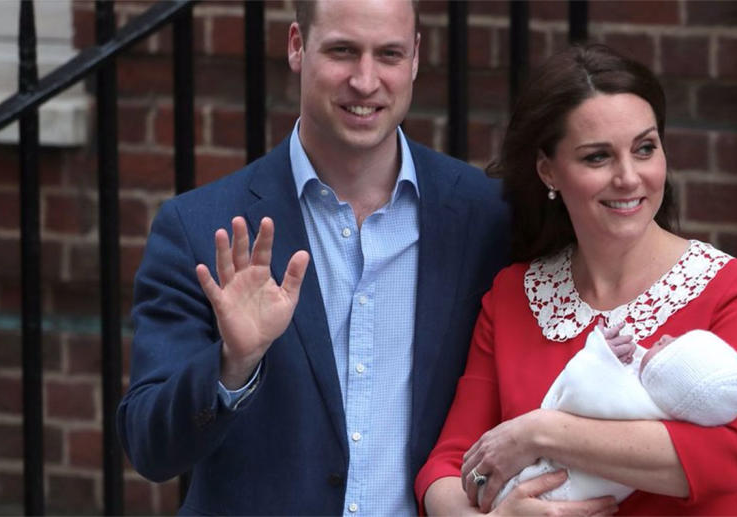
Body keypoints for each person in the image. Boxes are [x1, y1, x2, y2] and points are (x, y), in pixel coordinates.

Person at [116, 0, 509, 514]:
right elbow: (149, 447)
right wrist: (232, 365)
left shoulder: (484, 216)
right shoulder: (200, 226)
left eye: (388, 54)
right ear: (297, 46)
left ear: (414, 57)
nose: (366, 82)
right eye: (343, 51)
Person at [416, 44, 737, 516]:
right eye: (597, 157)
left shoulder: (735, 290)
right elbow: (446, 465)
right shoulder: (513, 295)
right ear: (549, 170)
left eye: (645, 149)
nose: (629, 177)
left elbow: (728, 457)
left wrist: (539, 432)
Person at [487, 324, 737, 509]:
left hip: (548, 491)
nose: (666, 337)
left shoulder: (635, 404)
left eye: (671, 347)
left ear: (663, 377)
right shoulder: (670, 415)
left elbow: (577, 392)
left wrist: (599, 354)